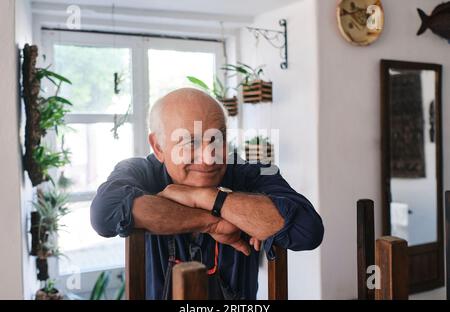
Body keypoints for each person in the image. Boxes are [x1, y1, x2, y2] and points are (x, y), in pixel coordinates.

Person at [90, 88, 324, 299]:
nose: (209, 156)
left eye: (217, 139)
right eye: (190, 142)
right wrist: (211, 223)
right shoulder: (139, 172)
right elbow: (104, 213)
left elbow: (308, 231)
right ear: (159, 147)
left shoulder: (250, 172)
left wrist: (207, 197)